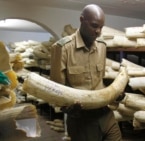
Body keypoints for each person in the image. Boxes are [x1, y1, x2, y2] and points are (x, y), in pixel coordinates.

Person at [50, 4, 122, 141]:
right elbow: (56, 92)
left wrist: (114, 93)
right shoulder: (62, 48)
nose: (98, 31)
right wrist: (68, 108)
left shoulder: (102, 46)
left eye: (101, 27)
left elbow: (100, 79)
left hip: (106, 114)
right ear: (82, 20)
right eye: (94, 26)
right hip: (82, 120)